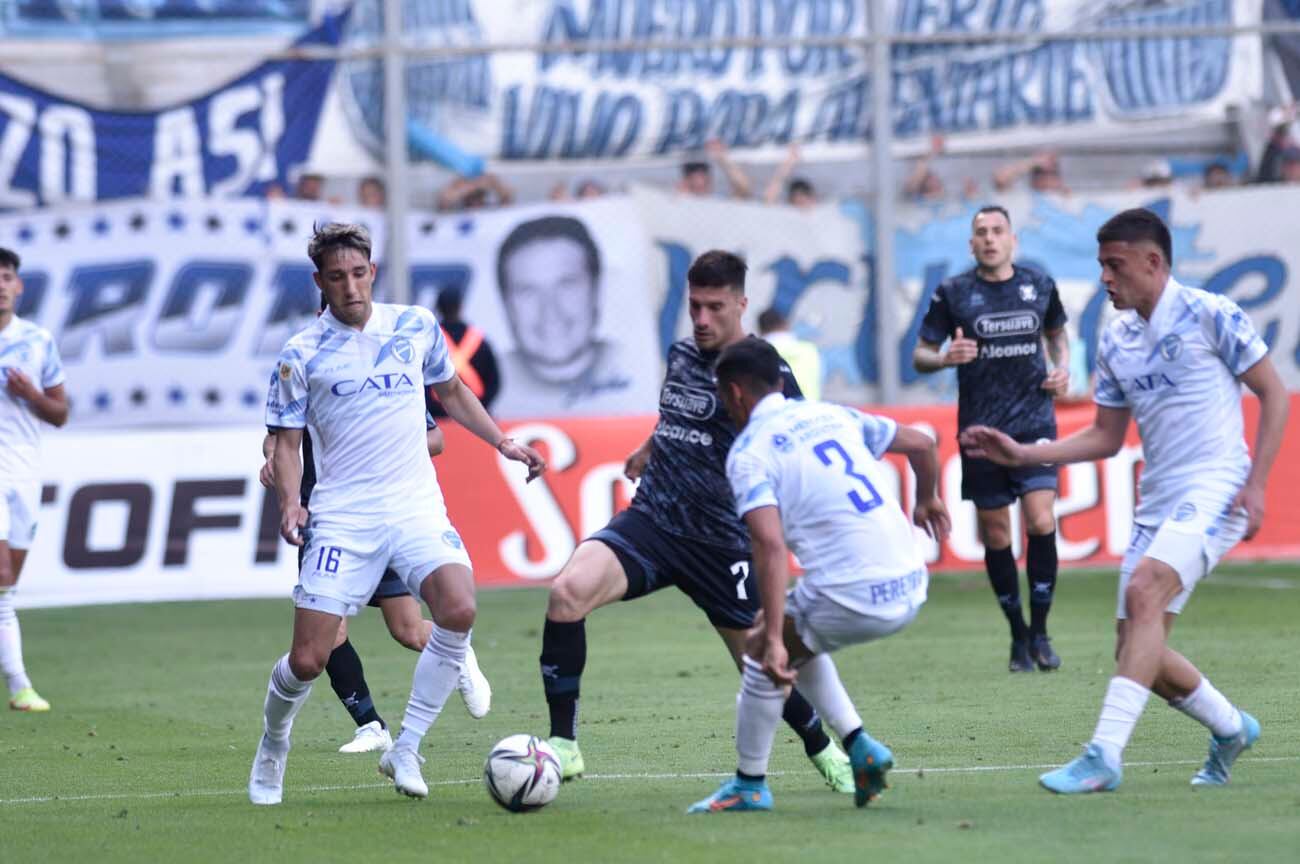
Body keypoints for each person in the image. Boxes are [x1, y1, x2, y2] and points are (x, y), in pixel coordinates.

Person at [961, 208, 1289, 794]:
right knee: (1136, 645)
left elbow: (1274, 393)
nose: (1106, 279)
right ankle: (1232, 727)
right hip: (1158, 498)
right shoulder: (1116, 337)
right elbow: (1106, 437)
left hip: (1217, 484)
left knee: (1143, 594)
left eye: (1115, 266)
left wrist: (1258, 483)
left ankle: (1103, 755)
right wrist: (1023, 454)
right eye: (1101, 266)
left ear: (1153, 262)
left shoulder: (1211, 314)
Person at [539, 250, 857, 795]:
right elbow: (678, 416)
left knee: (760, 664)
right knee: (566, 593)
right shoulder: (683, 353)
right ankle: (564, 745)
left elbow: (795, 439)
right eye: (695, 307)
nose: (702, 319)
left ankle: (822, 746)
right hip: (656, 521)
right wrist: (648, 446)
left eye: (715, 307)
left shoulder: (767, 370)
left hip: (723, 545)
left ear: (741, 304)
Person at [249, 223, 545, 805]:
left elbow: (455, 393)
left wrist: (503, 443)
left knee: (458, 608)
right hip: (342, 514)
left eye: (359, 274)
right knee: (309, 659)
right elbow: (284, 442)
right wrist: (290, 502)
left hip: (414, 505)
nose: (351, 287)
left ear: (372, 273)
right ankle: (274, 741)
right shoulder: (301, 353)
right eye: (337, 277)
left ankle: (404, 746)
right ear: (320, 283)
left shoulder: (414, 326)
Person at [689, 339, 950, 812]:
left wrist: (768, 635)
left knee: (760, 651)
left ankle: (750, 784)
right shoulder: (835, 415)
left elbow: (768, 544)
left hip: (853, 594)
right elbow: (924, 443)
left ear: (735, 394)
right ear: (781, 382)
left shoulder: (749, 451)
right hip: (912, 582)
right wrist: (928, 498)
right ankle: (860, 746)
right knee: (797, 636)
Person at [259, 409, 491, 754]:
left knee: (407, 629)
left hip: (385, 514)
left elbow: (436, 438)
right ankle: (371, 726)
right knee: (328, 634)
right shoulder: (307, 366)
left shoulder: (387, 375)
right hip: (328, 520)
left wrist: (378, 451)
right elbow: (277, 438)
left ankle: (458, 650)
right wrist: (272, 458)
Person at [912, 205, 1071, 673]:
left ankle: (1041, 632)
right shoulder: (954, 292)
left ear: (1012, 240)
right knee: (997, 533)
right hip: (981, 428)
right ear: (971, 244)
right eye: (981, 232)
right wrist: (944, 358)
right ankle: (1017, 634)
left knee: (1041, 520)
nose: (989, 238)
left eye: (997, 231)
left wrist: (1063, 368)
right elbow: (921, 353)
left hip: (1034, 422)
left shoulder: (1038, 285)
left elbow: (1058, 334)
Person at [0, 247, 68, 713]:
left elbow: (60, 413)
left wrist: (30, 394)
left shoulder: (38, 340)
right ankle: (20, 684)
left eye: (6, 277)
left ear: (18, 285)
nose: (0, 284)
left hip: (24, 471)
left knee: (7, 586)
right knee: (0, 576)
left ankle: (18, 684)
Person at [494, 215, 639, 415]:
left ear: (596, 289)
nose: (550, 310)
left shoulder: (641, 367)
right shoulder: (476, 388)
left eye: (567, 284)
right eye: (527, 291)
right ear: (505, 303)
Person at [428, 287, 500, 418]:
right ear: (461, 306)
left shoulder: (429, 340)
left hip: (439, 420)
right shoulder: (479, 341)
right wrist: (480, 407)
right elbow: (494, 382)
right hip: (478, 419)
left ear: (438, 307)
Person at [757, 307, 822, 402]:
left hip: (776, 414)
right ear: (785, 324)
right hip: (810, 411)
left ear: (761, 329)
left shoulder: (756, 353)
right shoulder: (810, 350)